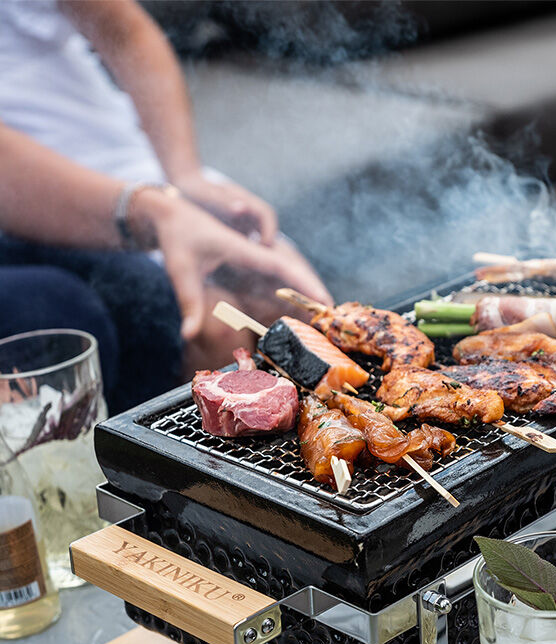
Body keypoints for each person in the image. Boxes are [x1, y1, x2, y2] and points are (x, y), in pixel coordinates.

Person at [0, 0, 331, 413]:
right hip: (45, 204)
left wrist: (184, 174)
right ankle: (202, 470)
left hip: (134, 166)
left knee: (293, 304)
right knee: (217, 332)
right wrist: (155, 214)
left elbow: (125, 30)